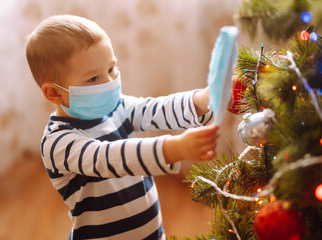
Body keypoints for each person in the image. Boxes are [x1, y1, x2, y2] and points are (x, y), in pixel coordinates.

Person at [25, 14, 219, 240]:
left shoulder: (118, 107)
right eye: (93, 78)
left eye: (111, 68)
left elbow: (154, 109)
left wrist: (202, 100)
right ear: (54, 93)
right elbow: (107, 158)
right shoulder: (58, 143)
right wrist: (173, 148)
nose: (110, 82)